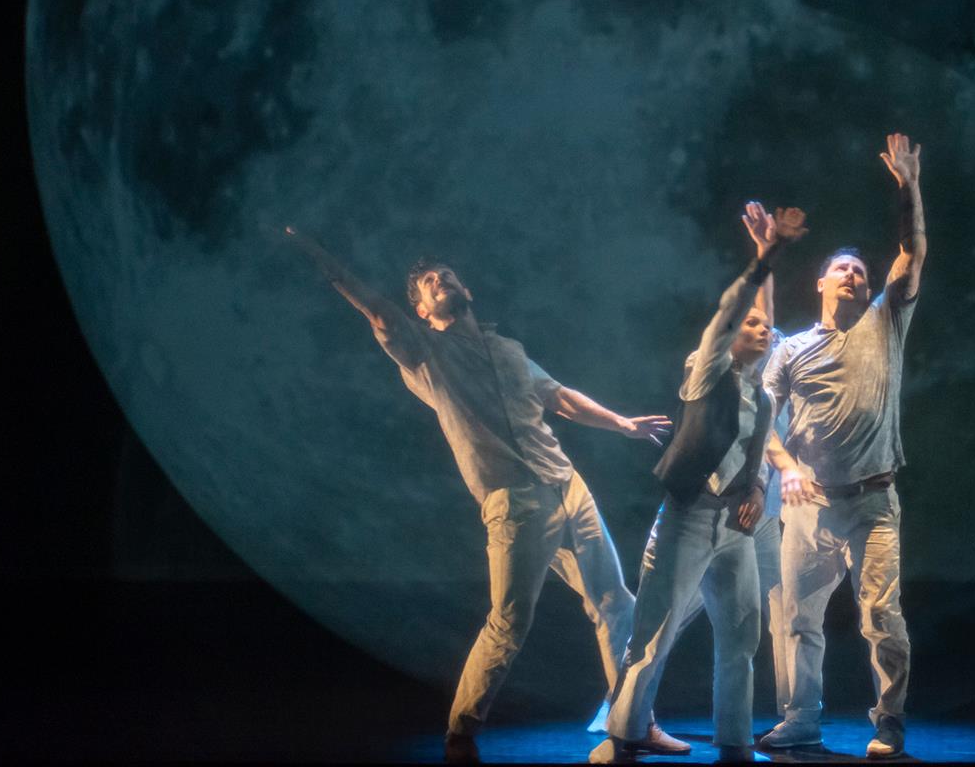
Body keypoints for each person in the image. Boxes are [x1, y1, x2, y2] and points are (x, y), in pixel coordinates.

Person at [282, 228, 687, 765]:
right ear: (422, 310)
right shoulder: (424, 353)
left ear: (465, 288)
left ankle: (634, 722)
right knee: (509, 623)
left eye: (446, 275)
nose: (441, 281)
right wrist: (323, 260)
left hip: (567, 484)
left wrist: (623, 424)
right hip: (514, 502)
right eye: (429, 283)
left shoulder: (507, 349)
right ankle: (460, 731)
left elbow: (558, 397)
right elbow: (378, 312)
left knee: (616, 602)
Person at [590, 202, 808, 764]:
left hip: (735, 528)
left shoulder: (761, 397)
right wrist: (767, 255)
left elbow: (756, 458)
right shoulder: (705, 369)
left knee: (741, 637)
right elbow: (732, 309)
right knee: (654, 634)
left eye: (766, 327)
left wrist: (756, 490)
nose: (762, 329)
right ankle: (624, 734)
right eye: (751, 326)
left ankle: (735, 743)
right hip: (688, 518)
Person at [758, 133, 925, 759]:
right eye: (842, 269)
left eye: (861, 270)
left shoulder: (886, 321)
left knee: (882, 616)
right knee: (795, 618)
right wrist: (785, 466)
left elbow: (912, 251)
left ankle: (889, 722)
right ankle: (800, 719)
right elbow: (760, 423)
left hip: (874, 501)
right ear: (821, 282)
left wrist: (909, 186)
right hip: (809, 504)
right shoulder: (792, 350)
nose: (853, 274)